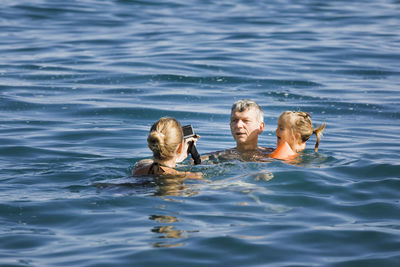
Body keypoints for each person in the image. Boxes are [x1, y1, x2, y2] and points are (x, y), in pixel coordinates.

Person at [202, 99, 273, 162]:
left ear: (260, 127)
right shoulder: (219, 156)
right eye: (234, 120)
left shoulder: (273, 154)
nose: (238, 125)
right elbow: (193, 163)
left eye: (246, 120)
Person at [132, 117, 202, 180]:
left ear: (150, 147)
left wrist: (177, 156)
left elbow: (150, 163)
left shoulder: (138, 169)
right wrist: (179, 155)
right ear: (180, 147)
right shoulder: (191, 176)